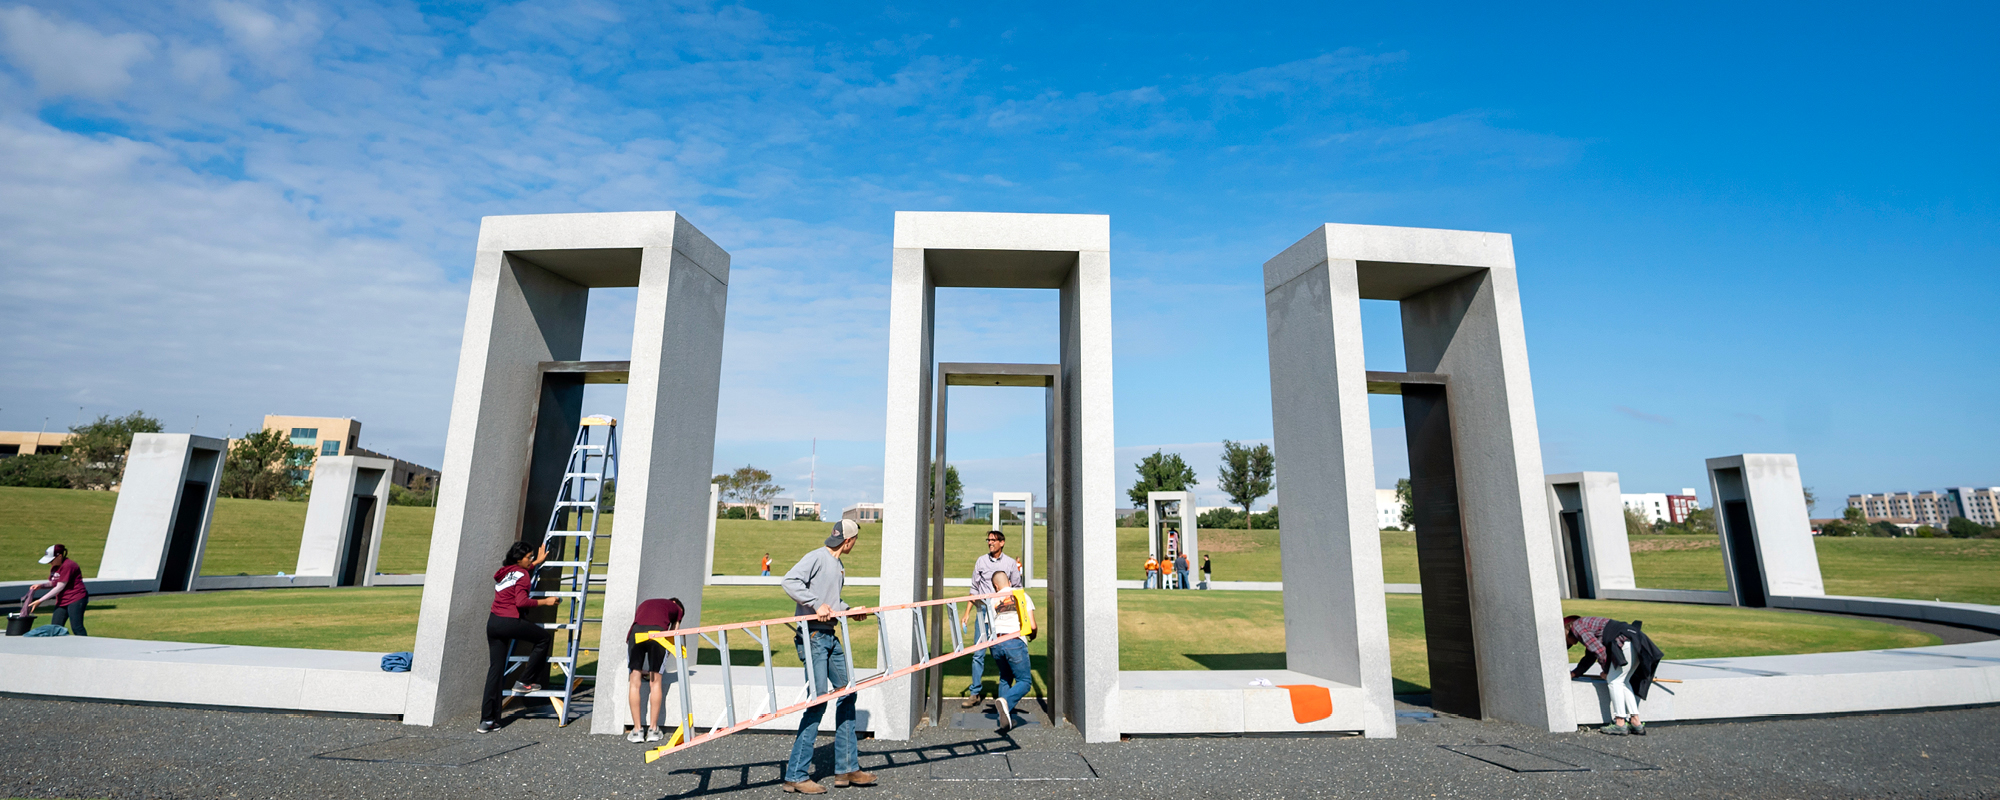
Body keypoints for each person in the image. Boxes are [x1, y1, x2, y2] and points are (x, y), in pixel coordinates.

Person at [779, 520, 877, 794]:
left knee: (848, 693)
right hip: (812, 637)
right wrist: (813, 603)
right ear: (849, 541)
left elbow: (832, 603)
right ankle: (796, 775)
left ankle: (846, 769)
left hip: (829, 635)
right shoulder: (817, 557)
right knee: (818, 701)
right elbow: (789, 581)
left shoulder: (837, 565)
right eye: (854, 540)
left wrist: (849, 609)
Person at [479, 541, 560, 734]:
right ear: (519, 559)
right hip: (509, 621)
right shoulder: (523, 575)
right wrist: (546, 601)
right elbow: (521, 602)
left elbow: (520, 572)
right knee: (543, 639)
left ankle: (487, 721)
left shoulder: (505, 571)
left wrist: (536, 563)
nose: (531, 559)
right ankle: (525, 680)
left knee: (495, 672)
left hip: (494, 623)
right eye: (529, 557)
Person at [1566, 614, 1664, 736]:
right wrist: (1575, 673)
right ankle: (1635, 722)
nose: (1572, 645)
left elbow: (1599, 650)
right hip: (1635, 640)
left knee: (1614, 681)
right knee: (1624, 681)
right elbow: (1591, 655)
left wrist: (1606, 671)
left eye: (1567, 643)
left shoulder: (1577, 627)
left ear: (1566, 630)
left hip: (1625, 642)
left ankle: (1620, 723)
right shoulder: (1584, 624)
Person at [960, 530, 1021, 709]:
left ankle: (1005, 697)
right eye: (988, 540)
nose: (990, 543)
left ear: (1002, 543)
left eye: (993, 540)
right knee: (978, 654)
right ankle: (975, 693)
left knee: (1004, 653)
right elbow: (974, 589)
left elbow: (1017, 589)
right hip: (982, 615)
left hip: (1003, 616)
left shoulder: (1010, 563)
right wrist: (967, 613)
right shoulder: (981, 561)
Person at [627, 596, 684, 744]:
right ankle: (653, 729)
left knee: (634, 682)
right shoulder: (677, 609)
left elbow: (640, 623)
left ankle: (637, 730)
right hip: (658, 634)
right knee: (655, 682)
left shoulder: (646, 603)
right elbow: (673, 633)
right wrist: (667, 652)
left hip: (636, 632)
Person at [985, 570, 1036, 733]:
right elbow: (1032, 625)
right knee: (1025, 681)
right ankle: (1005, 702)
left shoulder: (992, 599)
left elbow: (988, 626)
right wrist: (1032, 636)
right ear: (1010, 582)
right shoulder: (1022, 595)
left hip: (996, 643)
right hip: (1014, 640)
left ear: (995, 585)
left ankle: (1004, 720)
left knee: (1005, 677)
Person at [24, 544, 88, 635]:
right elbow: (54, 583)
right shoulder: (55, 567)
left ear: (60, 556)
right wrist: (41, 586)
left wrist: (40, 600)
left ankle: (85, 646)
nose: (50, 563)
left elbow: (60, 587)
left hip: (76, 598)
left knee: (77, 627)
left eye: (51, 560)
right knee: (55, 627)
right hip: (62, 600)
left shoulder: (68, 565)